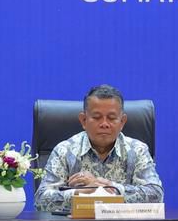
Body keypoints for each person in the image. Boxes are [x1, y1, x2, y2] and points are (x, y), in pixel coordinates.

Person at [35, 84, 164, 213]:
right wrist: (80, 192)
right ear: (83, 120)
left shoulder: (137, 150)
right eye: (97, 118)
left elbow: (156, 196)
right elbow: (40, 201)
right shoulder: (64, 151)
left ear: (122, 122)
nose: (104, 124)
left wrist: (108, 187)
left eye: (111, 118)